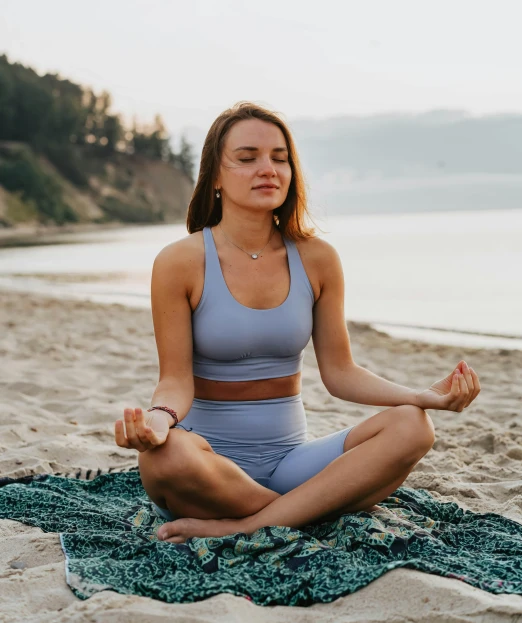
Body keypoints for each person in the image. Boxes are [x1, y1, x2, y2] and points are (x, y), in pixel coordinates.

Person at [114, 102, 481, 544]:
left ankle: (249, 523)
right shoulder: (180, 261)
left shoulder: (317, 258)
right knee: (162, 459)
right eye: (247, 158)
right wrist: (158, 419)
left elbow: (340, 373)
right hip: (207, 468)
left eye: (279, 158)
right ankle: (306, 509)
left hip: (292, 464)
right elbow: (175, 380)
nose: (267, 169)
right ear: (215, 175)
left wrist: (420, 396)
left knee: (413, 425)